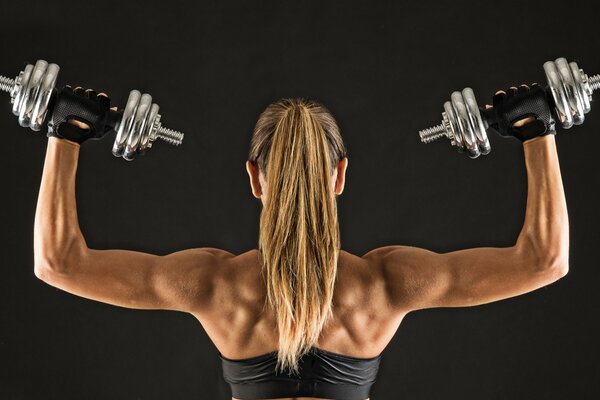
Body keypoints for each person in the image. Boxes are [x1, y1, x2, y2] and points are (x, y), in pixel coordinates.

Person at [33, 83, 569, 400]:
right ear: (339, 176)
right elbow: (543, 261)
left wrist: (66, 136)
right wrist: (536, 132)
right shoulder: (384, 285)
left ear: (253, 177)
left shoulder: (214, 285)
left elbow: (59, 264)